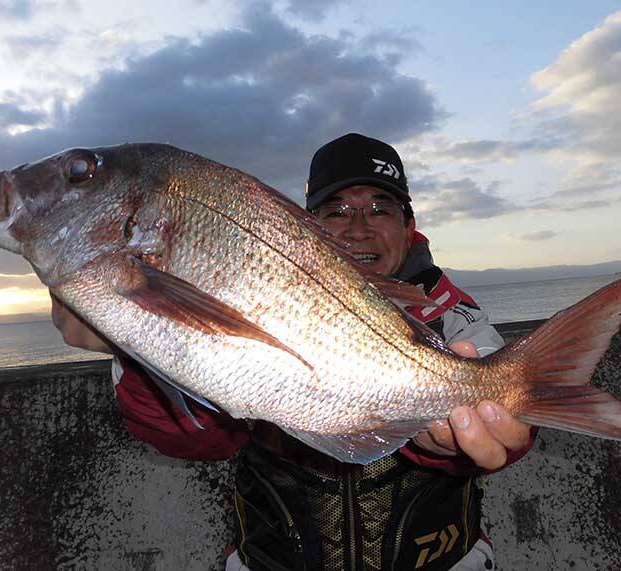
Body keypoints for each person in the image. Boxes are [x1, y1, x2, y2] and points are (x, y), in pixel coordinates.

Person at [51, 133, 533, 571]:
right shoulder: (256, 297)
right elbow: (195, 440)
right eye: (336, 211)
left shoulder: (451, 314)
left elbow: (514, 424)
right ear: (309, 229)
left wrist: (469, 438)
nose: (360, 228)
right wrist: (143, 347)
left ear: (409, 226)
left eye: (380, 208)